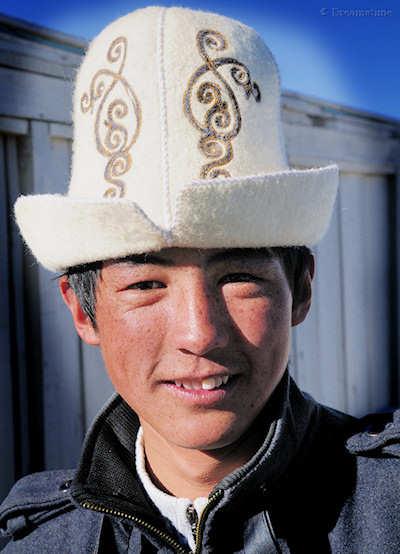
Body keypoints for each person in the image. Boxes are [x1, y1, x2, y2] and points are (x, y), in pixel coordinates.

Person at [1, 6, 399, 553]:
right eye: (145, 285)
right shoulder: (38, 544)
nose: (200, 334)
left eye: (237, 276)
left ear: (300, 288)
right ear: (81, 308)